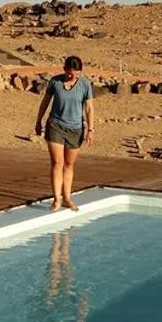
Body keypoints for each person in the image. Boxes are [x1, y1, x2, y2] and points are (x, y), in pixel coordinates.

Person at [34, 55, 95, 211]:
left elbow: (89, 108)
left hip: (75, 129)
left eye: (77, 74)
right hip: (56, 126)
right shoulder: (55, 82)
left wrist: (90, 129)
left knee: (69, 164)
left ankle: (67, 197)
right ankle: (57, 198)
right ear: (64, 70)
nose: (73, 76)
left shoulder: (85, 84)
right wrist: (39, 120)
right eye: (70, 73)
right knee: (57, 163)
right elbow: (45, 102)